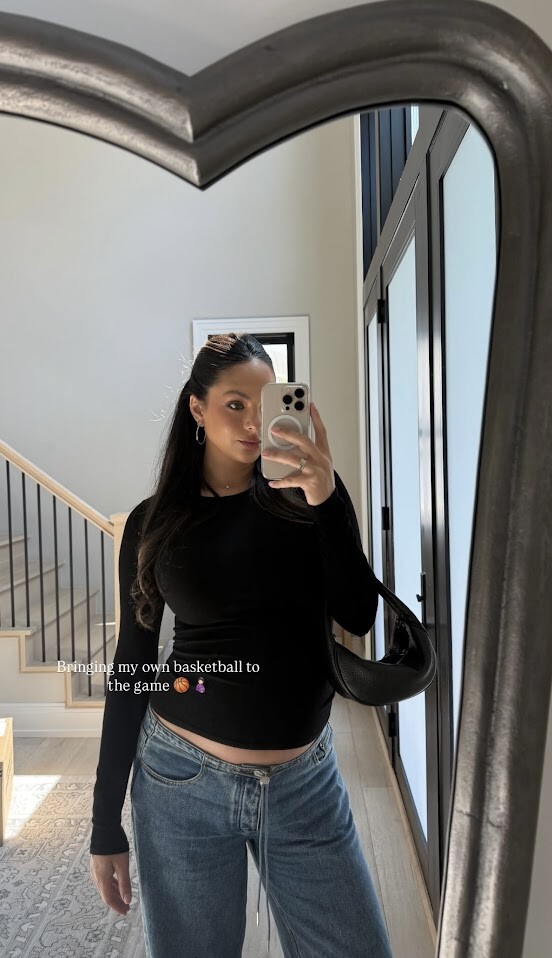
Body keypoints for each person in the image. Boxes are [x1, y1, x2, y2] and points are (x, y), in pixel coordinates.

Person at [89, 333, 393, 958]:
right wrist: (103, 822)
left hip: (305, 787)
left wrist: (327, 498)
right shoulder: (153, 523)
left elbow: (359, 615)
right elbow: (133, 668)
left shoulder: (311, 499)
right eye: (235, 404)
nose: (255, 422)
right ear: (197, 408)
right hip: (181, 783)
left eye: (266, 401)